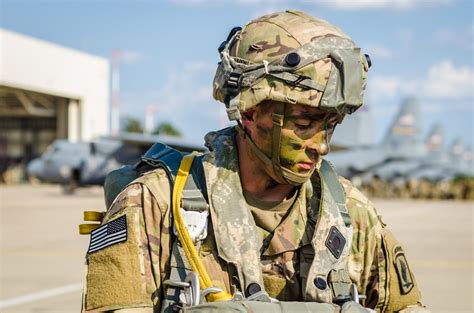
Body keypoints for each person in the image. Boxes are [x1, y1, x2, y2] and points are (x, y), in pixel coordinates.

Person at [81, 10, 429, 313]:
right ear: (250, 111)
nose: (320, 147)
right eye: (304, 123)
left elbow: (406, 307)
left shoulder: (349, 214)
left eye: (330, 125)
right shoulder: (155, 205)